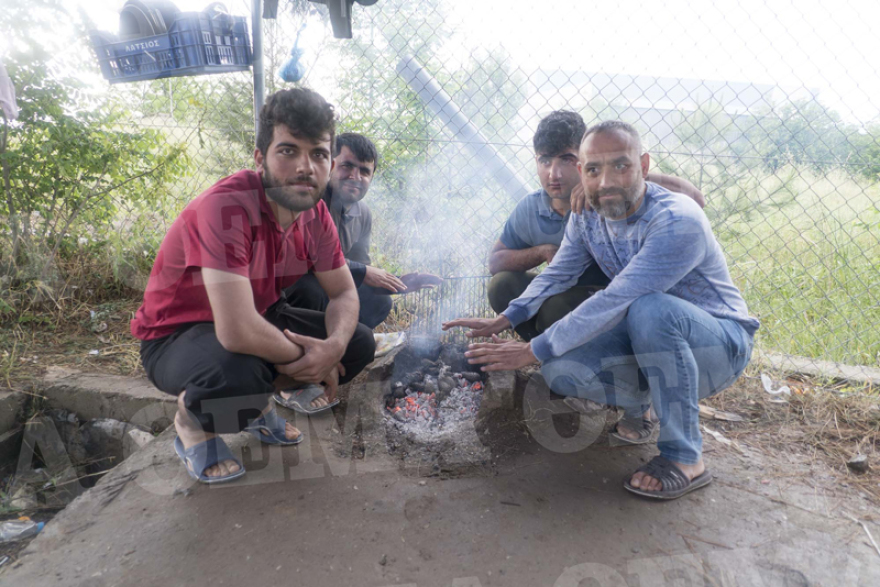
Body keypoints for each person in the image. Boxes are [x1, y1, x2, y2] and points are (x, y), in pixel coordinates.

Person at [444, 120, 758, 500]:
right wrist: (507, 317)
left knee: (649, 309)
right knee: (560, 369)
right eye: (594, 169)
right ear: (583, 173)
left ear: (644, 166)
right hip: (652, 336)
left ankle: (685, 458)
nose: (606, 181)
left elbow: (617, 298)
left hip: (718, 345)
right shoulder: (587, 215)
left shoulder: (677, 220)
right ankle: (644, 410)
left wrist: (530, 349)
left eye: (620, 166)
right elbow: (559, 272)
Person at [131, 88, 376, 484]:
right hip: (175, 336)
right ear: (260, 158)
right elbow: (238, 330)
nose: (305, 167)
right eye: (288, 151)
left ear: (329, 164)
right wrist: (314, 360)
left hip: (254, 317)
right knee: (237, 376)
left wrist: (332, 348)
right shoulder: (226, 207)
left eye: (318, 154)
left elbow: (344, 293)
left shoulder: (315, 214)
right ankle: (192, 422)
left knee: (358, 342)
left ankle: (258, 405)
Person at [488, 111, 705, 341]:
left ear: (583, 161)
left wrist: (627, 177)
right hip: (560, 288)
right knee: (502, 285)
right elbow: (496, 262)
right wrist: (542, 252)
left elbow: (696, 199)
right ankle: (538, 349)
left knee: (556, 308)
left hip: (615, 299)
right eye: (545, 161)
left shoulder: (612, 198)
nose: (554, 174)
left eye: (566, 160)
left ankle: (568, 353)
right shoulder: (531, 207)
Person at [284, 132, 442, 329]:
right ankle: (294, 343)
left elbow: (358, 273)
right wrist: (363, 272)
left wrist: (395, 284)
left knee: (379, 302)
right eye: (347, 166)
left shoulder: (363, 213)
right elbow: (303, 257)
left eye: (365, 171)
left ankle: (342, 341)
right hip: (284, 290)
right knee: (309, 289)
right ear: (330, 166)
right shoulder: (308, 198)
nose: (355, 177)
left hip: (330, 287)